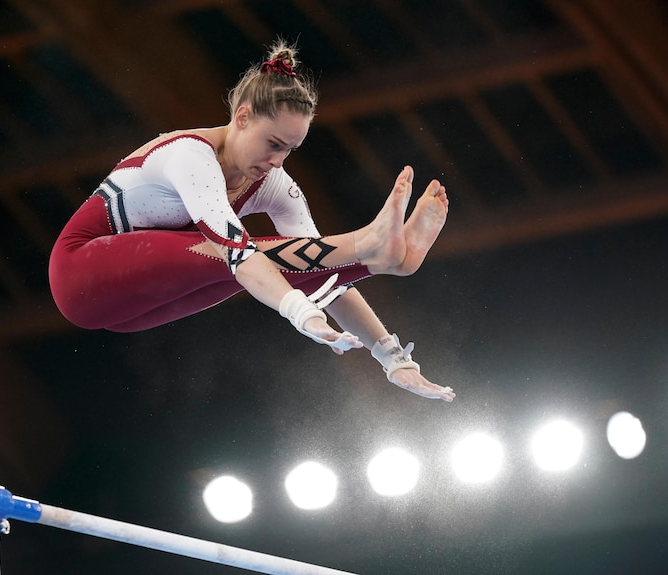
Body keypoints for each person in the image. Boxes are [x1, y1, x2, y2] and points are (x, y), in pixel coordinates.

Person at [48, 41, 455, 401]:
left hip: (134, 309)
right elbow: (237, 253)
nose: (277, 161)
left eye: (290, 151)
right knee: (229, 256)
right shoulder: (190, 157)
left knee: (274, 267)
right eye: (273, 144)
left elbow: (319, 269)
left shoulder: (272, 182)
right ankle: (369, 246)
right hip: (79, 274)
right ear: (242, 118)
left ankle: (382, 257)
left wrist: (391, 357)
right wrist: (300, 312)